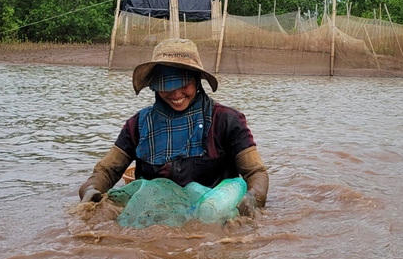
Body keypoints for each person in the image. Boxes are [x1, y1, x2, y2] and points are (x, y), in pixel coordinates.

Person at [79, 38, 269, 215]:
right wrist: (90, 190)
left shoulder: (227, 120)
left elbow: (256, 172)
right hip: (154, 216)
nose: (176, 93)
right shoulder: (137, 125)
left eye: (183, 84)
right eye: (167, 86)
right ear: (155, 86)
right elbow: (106, 170)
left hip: (211, 214)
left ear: (197, 80)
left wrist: (253, 198)